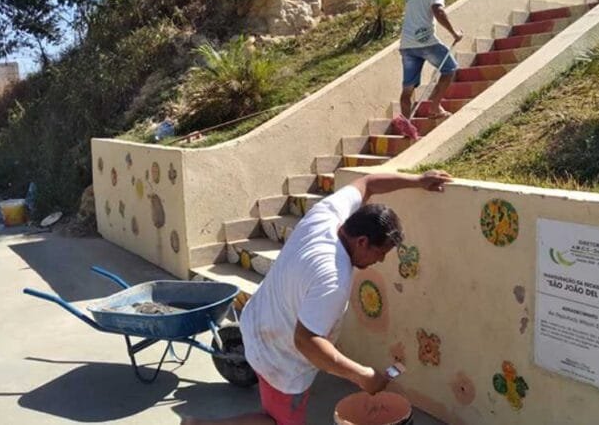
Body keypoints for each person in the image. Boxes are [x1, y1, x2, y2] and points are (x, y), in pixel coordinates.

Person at [182, 170, 453, 425]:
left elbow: (368, 183)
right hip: (279, 354)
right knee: (278, 422)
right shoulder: (333, 278)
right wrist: (363, 376)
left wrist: (418, 180)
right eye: (380, 252)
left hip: (260, 320)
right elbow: (306, 341)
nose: (380, 260)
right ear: (361, 242)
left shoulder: (327, 214)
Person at [395, 0, 464, 139]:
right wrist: (454, 33)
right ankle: (434, 107)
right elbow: (438, 10)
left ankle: (407, 127)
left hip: (407, 44)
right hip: (426, 41)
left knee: (407, 89)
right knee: (450, 68)